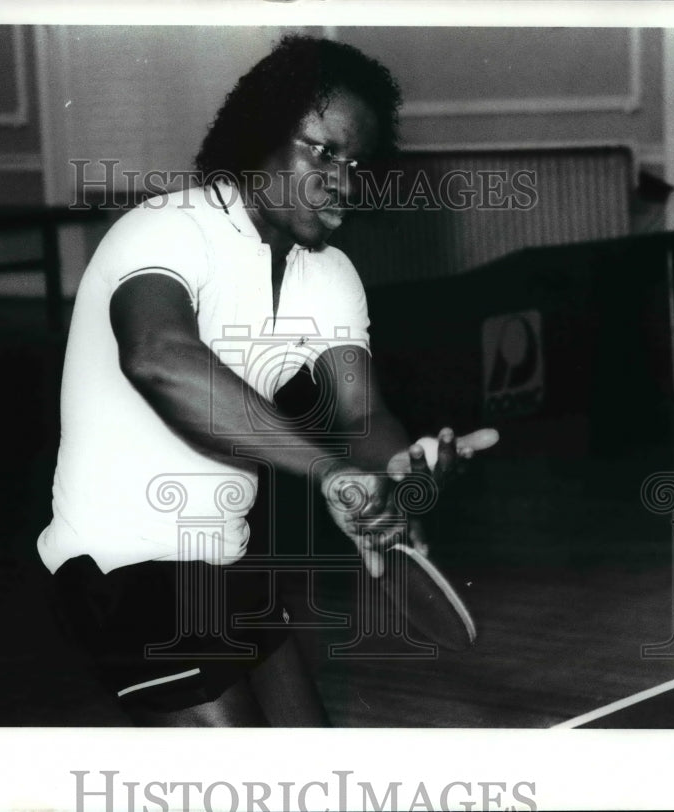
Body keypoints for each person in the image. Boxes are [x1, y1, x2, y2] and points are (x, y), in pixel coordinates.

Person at [37, 34, 497, 727]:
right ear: (260, 135)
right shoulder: (164, 230)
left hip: (228, 565)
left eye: (358, 163)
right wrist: (328, 473)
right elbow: (158, 358)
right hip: (118, 565)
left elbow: (360, 418)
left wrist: (403, 473)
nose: (343, 180)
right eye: (323, 150)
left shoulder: (330, 277)